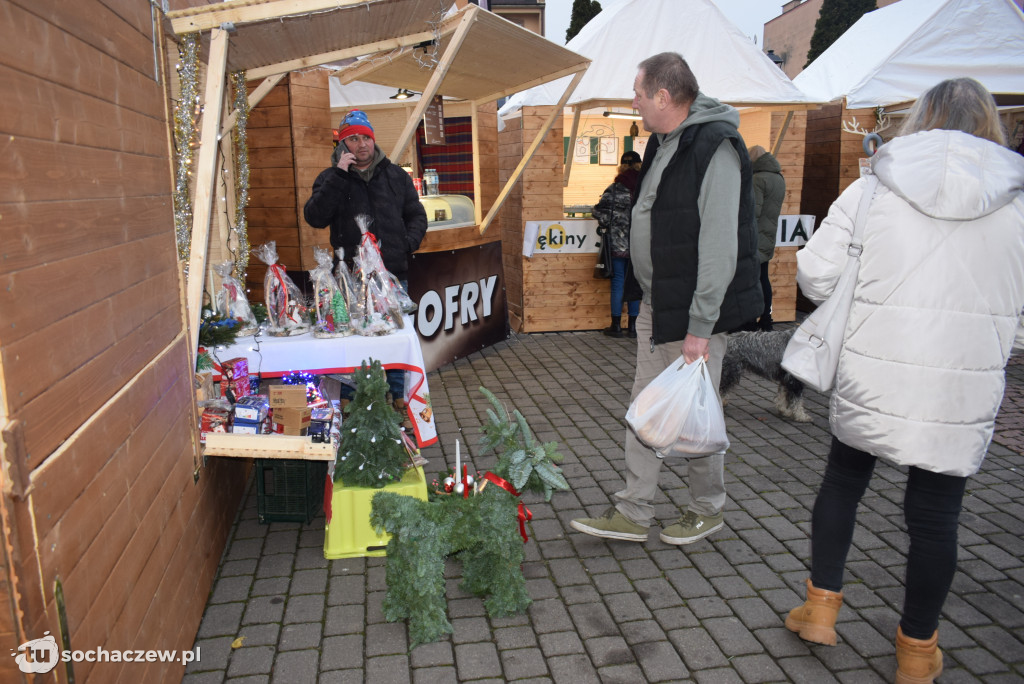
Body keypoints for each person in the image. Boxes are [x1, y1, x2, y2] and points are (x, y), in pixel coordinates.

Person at [784, 78, 1024, 684]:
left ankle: (819, 609)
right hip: (960, 385)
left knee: (843, 481)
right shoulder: (1018, 206)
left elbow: (813, 275)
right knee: (937, 517)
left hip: (875, 367)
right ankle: (917, 651)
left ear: (921, 119)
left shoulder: (873, 188)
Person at [571, 52, 762, 546]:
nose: (633, 103)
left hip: (693, 313)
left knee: (696, 413)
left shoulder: (714, 146)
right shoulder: (663, 142)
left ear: (662, 95)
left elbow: (720, 245)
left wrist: (700, 327)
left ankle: (706, 509)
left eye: (638, 94)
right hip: (658, 304)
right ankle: (634, 512)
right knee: (646, 409)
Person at [303, 110, 427, 423]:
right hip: (349, 278)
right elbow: (315, 217)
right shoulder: (330, 178)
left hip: (392, 274)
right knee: (353, 337)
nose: (362, 144)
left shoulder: (396, 176)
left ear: (374, 139)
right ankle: (351, 400)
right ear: (343, 144)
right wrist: (339, 177)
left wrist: (406, 243)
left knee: (395, 337)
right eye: (354, 138)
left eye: (366, 137)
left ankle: (398, 397)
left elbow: (417, 215)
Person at [592, 150, 643, 338]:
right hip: (639, 244)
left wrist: (611, 221)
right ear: (640, 165)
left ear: (621, 166)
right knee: (635, 283)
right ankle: (633, 327)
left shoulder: (614, 189)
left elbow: (598, 212)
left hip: (618, 244)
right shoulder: (645, 187)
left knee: (618, 283)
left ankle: (616, 326)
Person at [748, 145, 785, 331]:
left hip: (754, 238)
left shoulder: (758, 179)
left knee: (751, 280)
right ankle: (766, 319)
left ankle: (749, 321)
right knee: (763, 278)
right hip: (768, 236)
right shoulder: (778, 177)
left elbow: (752, 213)